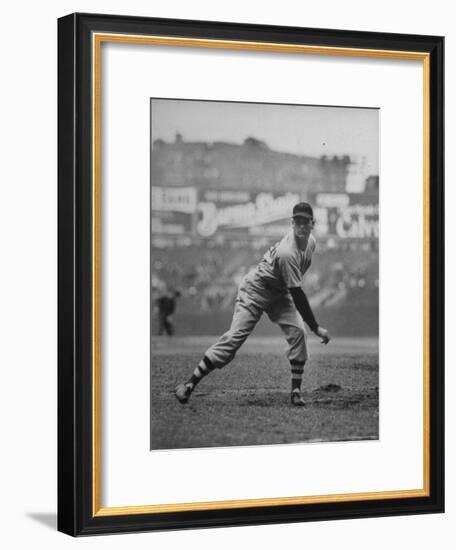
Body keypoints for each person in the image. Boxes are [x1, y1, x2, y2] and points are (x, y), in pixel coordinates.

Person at [175, 202, 330, 407]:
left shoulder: (311, 242)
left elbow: (293, 288)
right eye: (298, 222)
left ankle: (295, 390)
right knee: (233, 340)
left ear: (313, 224)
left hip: (279, 293)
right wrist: (316, 327)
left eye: (306, 222)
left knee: (298, 334)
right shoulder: (287, 252)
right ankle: (188, 385)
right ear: (292, 223)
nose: (301, 226)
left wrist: (309, 326)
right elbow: (298, 294)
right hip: (256, 290)